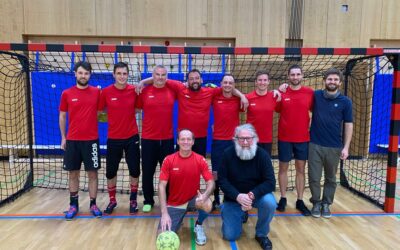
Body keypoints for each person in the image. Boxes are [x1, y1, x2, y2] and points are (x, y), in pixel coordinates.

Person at [139, 69, 248, 157]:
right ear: (187, 81)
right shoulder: (180, 88)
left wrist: (242, 96)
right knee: (181, 169)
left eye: (196, 78)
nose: (194, 81)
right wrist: (143, 82)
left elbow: (228, 88)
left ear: (201, 80)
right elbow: (160, 79)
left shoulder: (210, 92)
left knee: (198, 169)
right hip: (183, 138)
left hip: (201, 138)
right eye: (191, 79)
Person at [219, 124, 276, 250]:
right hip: (234, 198)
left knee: (270, 202)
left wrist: (252, 194)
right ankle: (238, 212)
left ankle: (261, 234)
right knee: (230, 235)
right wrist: (238, 196)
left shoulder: (262, 155)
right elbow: (222, 181)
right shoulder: (227, 154)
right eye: (241, 139)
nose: (245, 142)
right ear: (235, 139)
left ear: (255, 139)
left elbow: (271, 182)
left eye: (248, 139)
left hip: (256, 196)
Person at [59, 61, 102, 220]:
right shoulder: (67, 93)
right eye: (81, 73)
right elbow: (62, 116)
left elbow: (102, 113)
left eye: (86, 73)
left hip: (91, 141)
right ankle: (73, 205)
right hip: (73, 141)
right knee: (73, 174)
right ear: (75, 74)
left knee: (93, 174)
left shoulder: (97, 93)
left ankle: (93, 204)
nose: (83, 76)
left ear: (90, 75)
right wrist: (64, 137)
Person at [308, 68, 353, 218]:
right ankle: (316, 202)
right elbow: (299, 94)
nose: (332, 82)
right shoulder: (316, 96)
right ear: (324, 80)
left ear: (339, 82)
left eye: (335, 79)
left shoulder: (345, 102)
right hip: (315, 144)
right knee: (314, 177)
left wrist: (346, 147)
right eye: (329, 79)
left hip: (334, 147)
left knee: (331, 178)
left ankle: (326, 203)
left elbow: (348, 124)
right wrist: (283, 88)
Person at [158, 129, 215, 246]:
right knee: (161, 235)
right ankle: (177, 218)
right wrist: (164, 212)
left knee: (208, 204)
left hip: (194, 199)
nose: (186, 142)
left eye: (189, 139)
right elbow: (161, 185)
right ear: (178, 141)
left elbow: (211, 182)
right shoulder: (169, 160)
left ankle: (198, 225)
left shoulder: (200, 159)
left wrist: (205, 195)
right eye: (182, 139)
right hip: (175, 203)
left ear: (193, 142)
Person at [98, 62, 141, 214]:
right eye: (119, 73)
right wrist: (114, 119)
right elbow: (100, 113)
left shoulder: (134, 90)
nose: (122, 76)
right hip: (113, 138)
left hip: (132, 137)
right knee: (110, 172)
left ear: (128, 75)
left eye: (124, 74)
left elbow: (137, 109)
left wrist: (125, 117)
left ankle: (133, 200)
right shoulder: (106, 92)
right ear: (114, 75)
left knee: (135, 170)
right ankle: (112, 201)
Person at [136, 65, 178, 213]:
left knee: (169, 173)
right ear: (153, 75)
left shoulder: (172, 90)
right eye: (157, 74)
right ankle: (148, 200)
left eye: (163, 75)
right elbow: (137, 110)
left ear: (167, 76)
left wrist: (144, 80)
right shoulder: (144, 92)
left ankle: (168, 199)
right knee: (147, 171)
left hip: (167, 139)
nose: (160, 77)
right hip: (148, 139)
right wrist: (144, 82)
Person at [276, 65, 313, 216]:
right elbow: (276, 108)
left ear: (302, 76)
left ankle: (299, 200)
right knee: (283, 169)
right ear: (288, 76)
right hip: (284, 138)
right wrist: (279, 90)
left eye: (298, 74)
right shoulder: (282, 92)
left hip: (303, 138)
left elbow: (314, 111)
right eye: (293, 74)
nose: (295, 77)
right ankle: (283, 198)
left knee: (300, 170)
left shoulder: (309, 93)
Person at [211, 74, 242, 210]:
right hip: (218, 141)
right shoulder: (215, 96)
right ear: (221, 84)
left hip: (233, 142)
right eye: (225, 82)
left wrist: (242, 95)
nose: (228, 85)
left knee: (233, 172)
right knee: (216, 172)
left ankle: (230, 197)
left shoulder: (238, 99)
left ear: (234, 85)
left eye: (231, 83)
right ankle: (216, 198)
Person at [246, 70, 280, 156]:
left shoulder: (274, 97)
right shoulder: (247, 98)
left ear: (268, 82)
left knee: (264, 167)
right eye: (260, 80)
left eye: (265, 80)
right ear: (256, 82)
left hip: (267, 140)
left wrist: (281, 89)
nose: (262, 82)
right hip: (251, 139)